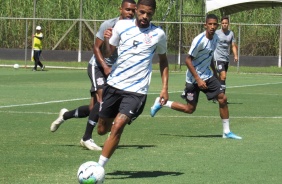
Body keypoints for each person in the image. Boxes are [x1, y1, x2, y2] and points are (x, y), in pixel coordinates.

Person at [50, 0, 137, 151]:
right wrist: (105, 66)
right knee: (102, 100)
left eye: (133, 10)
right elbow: (96, 48)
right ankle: (86, 138)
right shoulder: (108, 25)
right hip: (97, 65)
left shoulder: (135, 28)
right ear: (120, 9)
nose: (130, 13)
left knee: (93, 108)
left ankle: (65, 115)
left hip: (113, 70)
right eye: (127, 9)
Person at [96, 0, 169, 168]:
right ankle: (112, 118)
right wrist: (107, 39)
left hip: (137, 91)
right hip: (114, 85)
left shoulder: (158, 34)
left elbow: (163, 61)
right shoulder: (122, 26)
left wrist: (164, 88)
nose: (145, 16)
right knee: (102, 129)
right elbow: (108, 53)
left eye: (149, 14)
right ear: (136, 10)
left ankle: (98, 167)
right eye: (142, 12)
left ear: (153, 13)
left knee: (118, 125)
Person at [150, 14, 242, 140]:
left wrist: (214, 73)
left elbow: (209, 56)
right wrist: (198, 79)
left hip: (208, 76)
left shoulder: (215, 38)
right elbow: (187, 60)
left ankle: (226, 132)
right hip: (193, 79)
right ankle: (161, 103)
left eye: (215, 24)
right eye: (210, 24)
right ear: (205, 25)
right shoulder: (199, 40)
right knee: (190, 109)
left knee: (222, 98)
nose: (212, 26)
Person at [213, 16, 238, 99]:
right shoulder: (216, 33)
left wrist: (235, 55)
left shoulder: (231, 33)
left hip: (226, 58)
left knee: (221, 78)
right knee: (223, 76)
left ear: (228, 24)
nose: (224, 24)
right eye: (223, 23)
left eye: (226, 23)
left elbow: (233, 45)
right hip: (218, 58)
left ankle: (217, 95)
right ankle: (222, 97)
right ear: (221, 24)